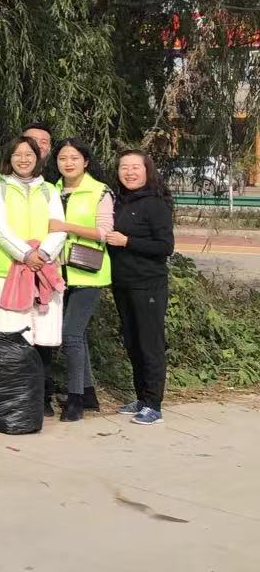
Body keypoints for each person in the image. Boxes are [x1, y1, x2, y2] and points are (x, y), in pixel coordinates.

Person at [0, 135, 66, 411]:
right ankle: (14, 401)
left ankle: (41, 398)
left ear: (38, 158)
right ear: (9, 158)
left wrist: (43, 255)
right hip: (9, 271)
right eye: (18, 154)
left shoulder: (49, 190)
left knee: (44, 338)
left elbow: (59, 227)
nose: (23, 159)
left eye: (29, 154)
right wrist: (25, 255)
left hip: (45, 271)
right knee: (12, 337)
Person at [106, 150, 175, 426]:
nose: (129, 172)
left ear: (147, 170)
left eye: (135, 167)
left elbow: (165, 247)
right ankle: (142, 398)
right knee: (133, 342)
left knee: (150, 343)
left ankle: (154, 405)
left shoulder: (155, 204)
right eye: (124, 167)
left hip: (148, 285)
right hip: (123, 283)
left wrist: (128, 242)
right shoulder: (119, 201)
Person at [47, 138, 109, 422]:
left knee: (70, 334)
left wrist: (65, 227)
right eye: (63, 158)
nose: (68, 163)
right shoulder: (52, 190)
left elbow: (104, 232)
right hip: (59, 272)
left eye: (74, 158)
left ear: (86, 161)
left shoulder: (99, 191)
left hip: (88, 273)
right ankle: (88, 392)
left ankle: (75, 401)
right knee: (78, 334)